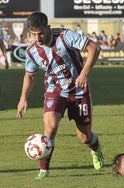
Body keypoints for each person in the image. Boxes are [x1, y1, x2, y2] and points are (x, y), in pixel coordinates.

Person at [16, 12, 104, 180]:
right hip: (55, 91)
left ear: (48, 28)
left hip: (79, 90)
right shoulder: (32, 51)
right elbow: (29, 75)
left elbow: (94, 47)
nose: (38, 37)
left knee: (84, 136)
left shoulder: (65, 36)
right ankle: (44, 170)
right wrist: (23, 97)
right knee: (50, 128)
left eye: (40, 32)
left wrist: (84, 73)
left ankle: (95, 148)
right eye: (34, 34)